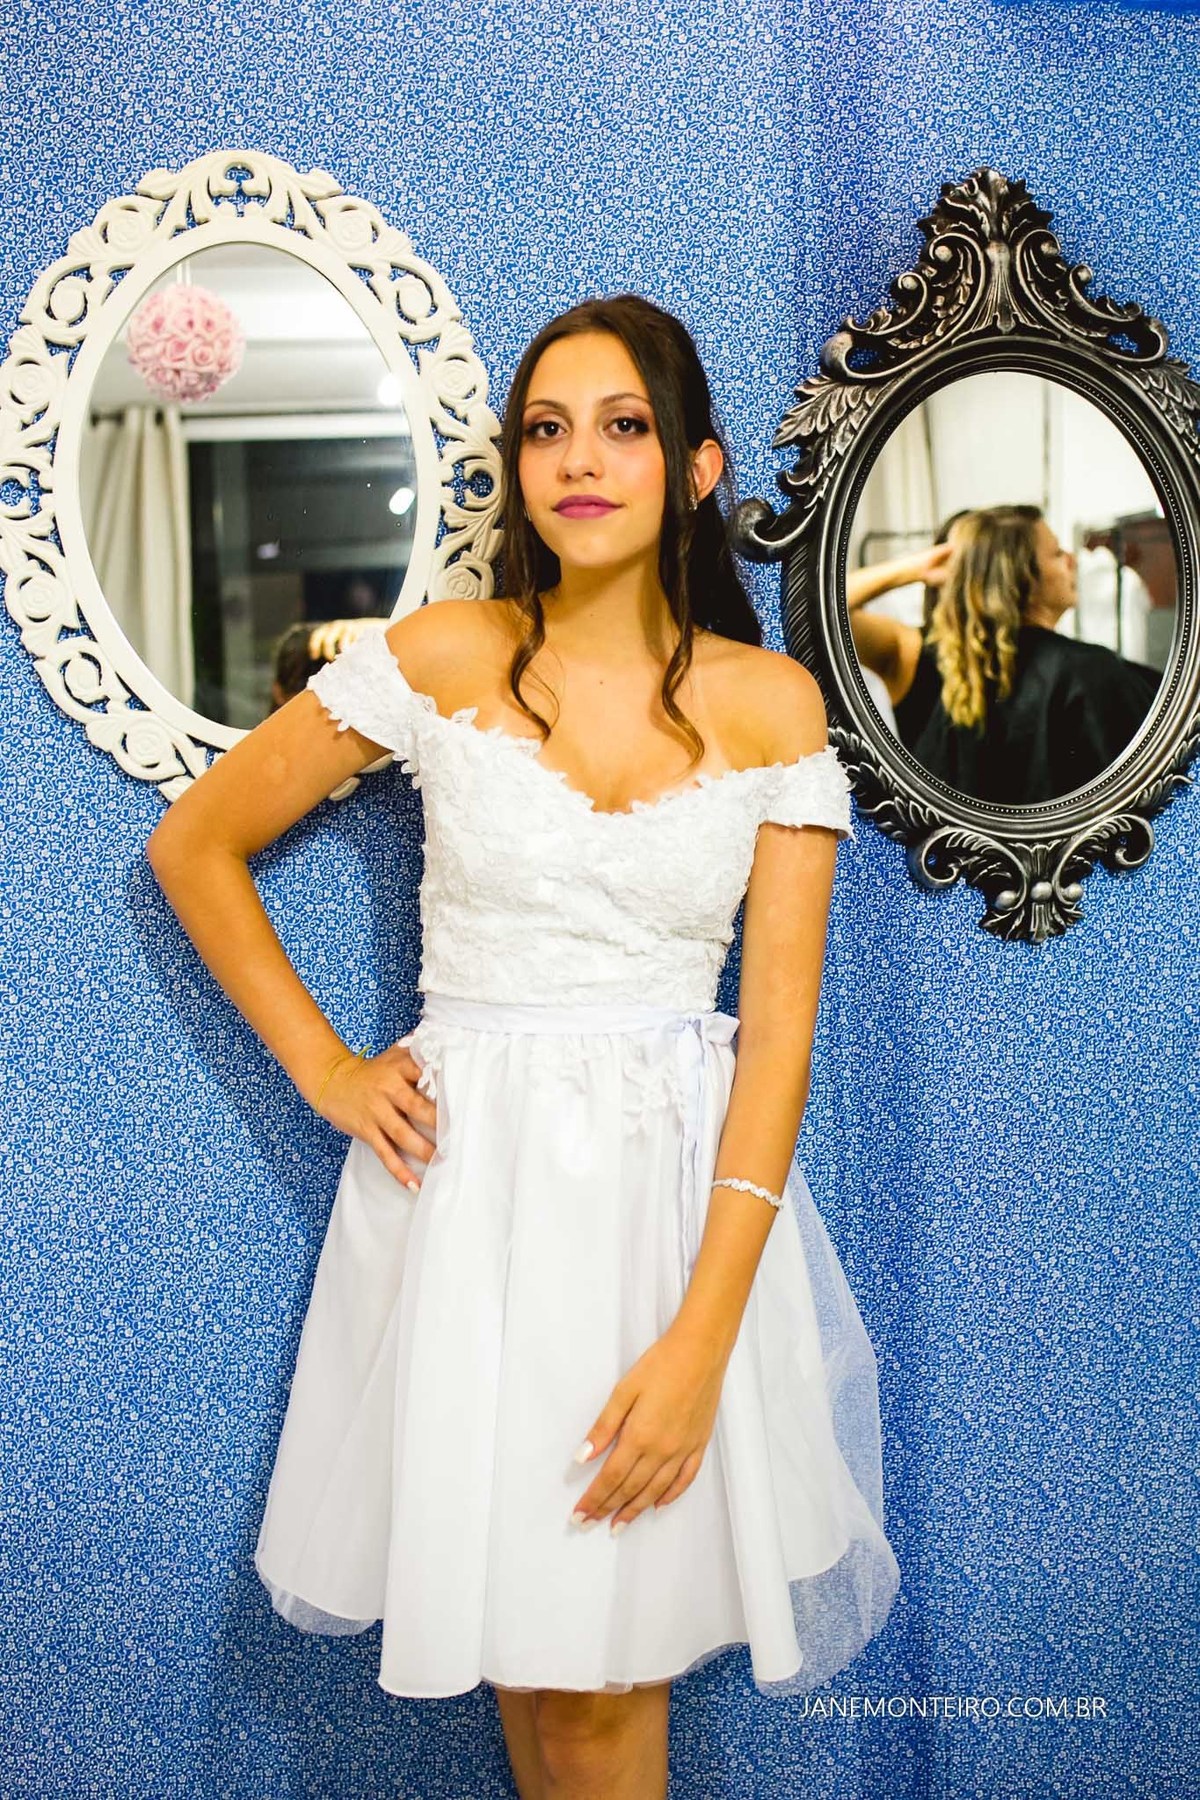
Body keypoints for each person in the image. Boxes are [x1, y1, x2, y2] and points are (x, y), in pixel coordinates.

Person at [146, 294, 899, 1799]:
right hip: (470, 1216)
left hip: (670, 1230)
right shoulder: (444, 657)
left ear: (696, 468)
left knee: (602, 1697)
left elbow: (778, 1051)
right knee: (539, 1683)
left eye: (623, 427)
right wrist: (329, 1070)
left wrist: (699, 1345)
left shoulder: (769, 706)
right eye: (547, 430)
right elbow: (196, 845)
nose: (579, 460)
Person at [847, 506, 1162, 805]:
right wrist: (919, 567)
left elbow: (822, 611)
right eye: (1056, 553)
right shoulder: (1091, 670)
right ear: (1022, 575)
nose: (1072, 559)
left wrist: (911, 569)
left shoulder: (915, 657)